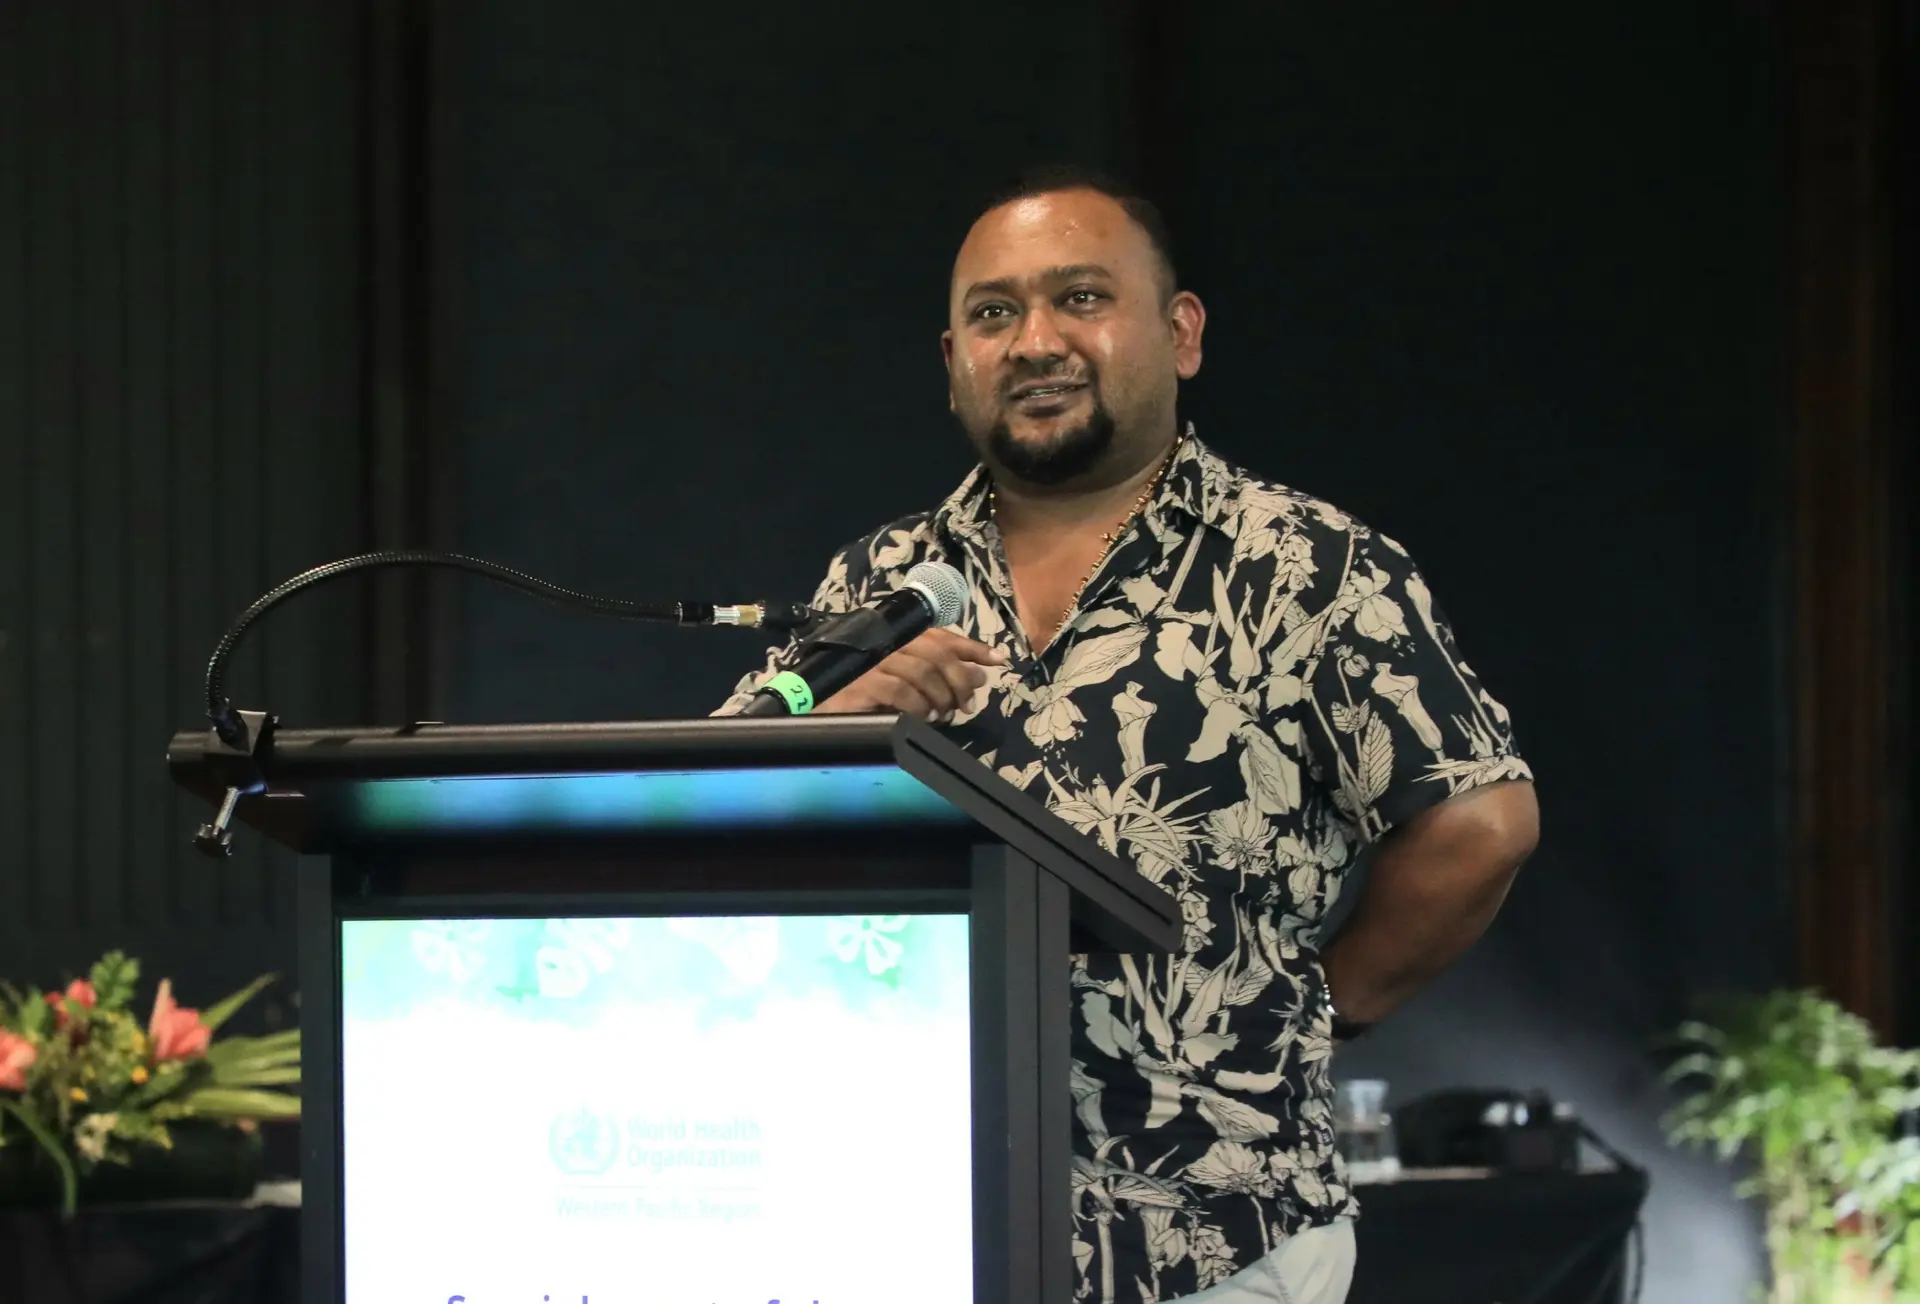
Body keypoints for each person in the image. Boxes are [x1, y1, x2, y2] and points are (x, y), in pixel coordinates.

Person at [718, 165, 1539, 1304]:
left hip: (1214, 1226)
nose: (1033, 339)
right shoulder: (883, 578)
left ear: (1181, 333)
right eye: (993, 314)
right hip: (913, 1220)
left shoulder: (1303, 564)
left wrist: (1313, 1009)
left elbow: (1479, 821)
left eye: (1082, 298)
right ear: (952, 359)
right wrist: (832, 722)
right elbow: (710, 794)